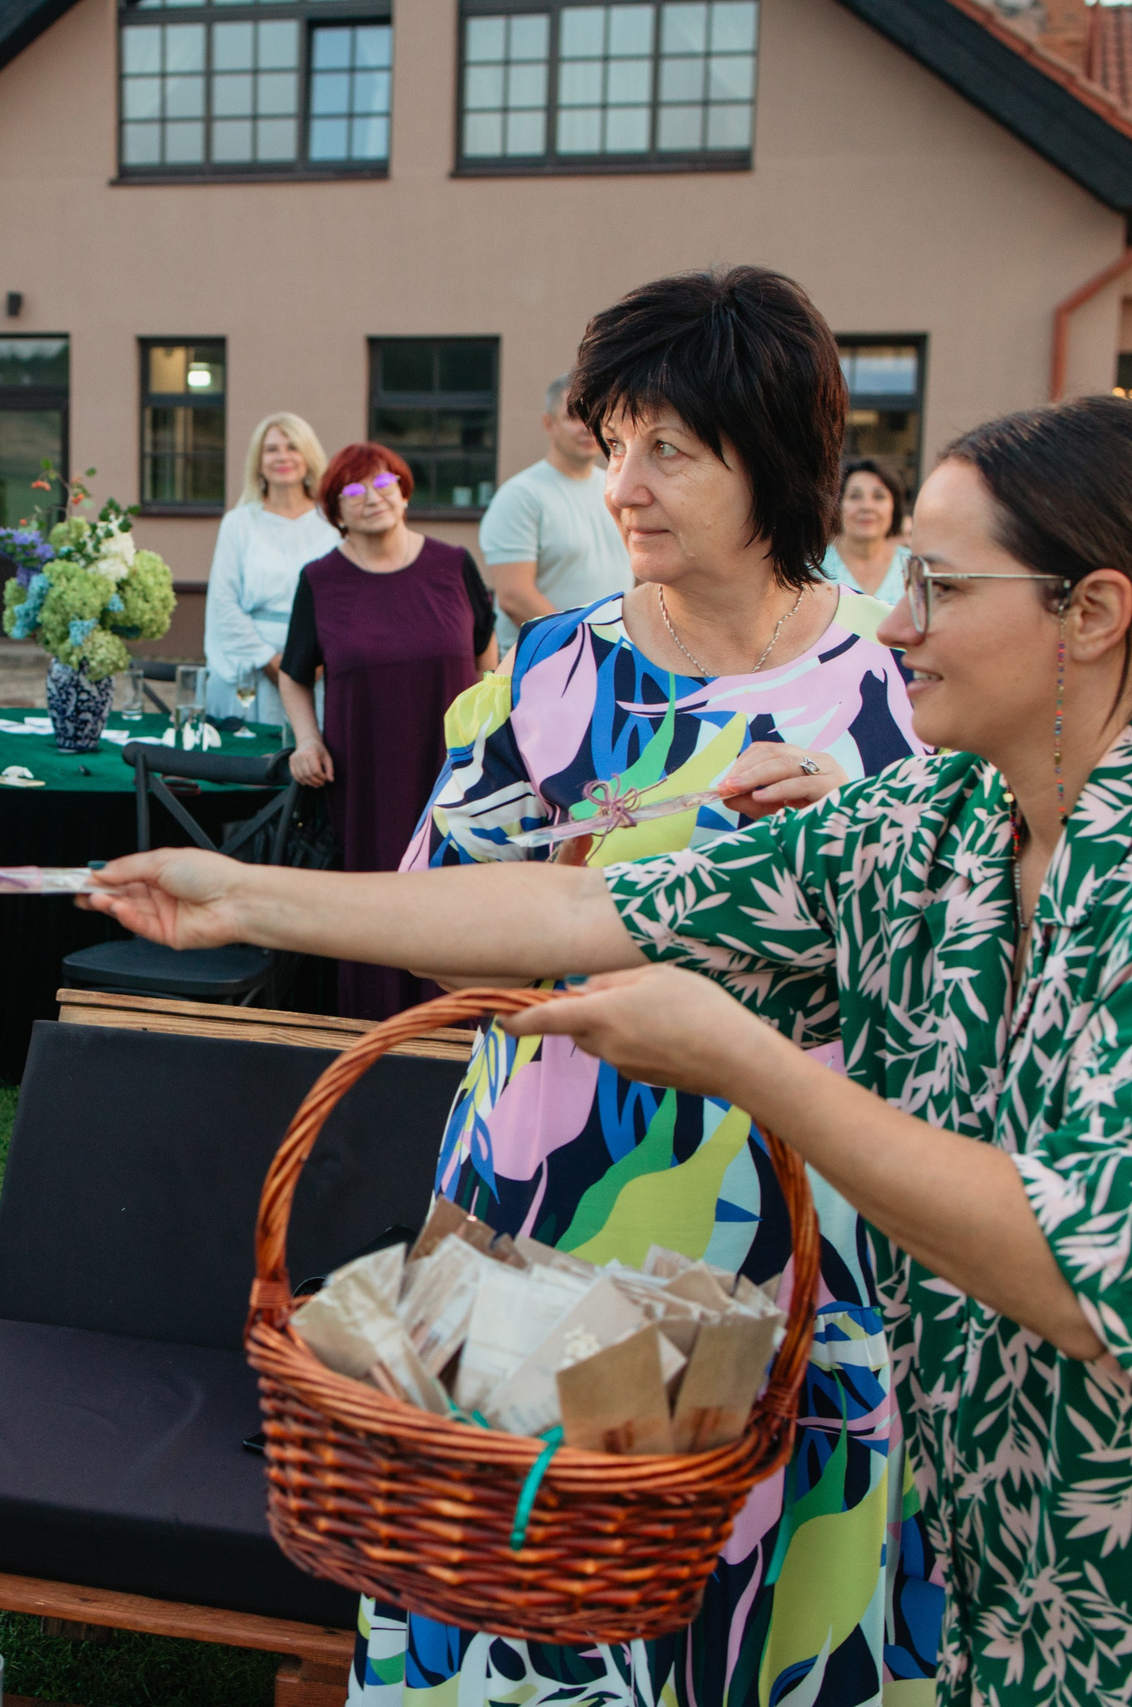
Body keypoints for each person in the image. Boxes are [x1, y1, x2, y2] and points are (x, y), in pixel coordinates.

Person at [86, 394, 1132, 1706]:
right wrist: (249, 897)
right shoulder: (939, 823)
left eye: (941, 585)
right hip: (1034, 1553)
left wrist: (748, 1060)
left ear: (1092, 612)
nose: (897, 618)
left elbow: (1095, 1276)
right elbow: (590, 907)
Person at [382, 268, 930, 1707]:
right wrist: (559, 890)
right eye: (613, 442)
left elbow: (968, 958)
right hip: (555, 1186)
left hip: (801, 1204)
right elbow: (429, 927)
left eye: (669, 450)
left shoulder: (899, 685)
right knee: (536, 1576)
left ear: (780, 461)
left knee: (767, 1579)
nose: (623, 485)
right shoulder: (554, 669)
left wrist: (856, 838)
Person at [277, 443, 497, 1019]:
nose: (370, 498)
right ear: (335, 512)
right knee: (375, 905)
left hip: (452, 775)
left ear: (403, 491)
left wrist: (493, 736)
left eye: (382, 484)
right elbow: (293, 675)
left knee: (453, 900)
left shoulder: (453, 564)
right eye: (352, 491)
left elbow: (487, 658)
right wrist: (307, 740)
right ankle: (375, 1040)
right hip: (365, 782)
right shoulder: (320, 580)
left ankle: (455, 1036)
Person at [476, 372, 634, 649]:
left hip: (615, 655)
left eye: (595, 415)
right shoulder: (521, 496)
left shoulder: (620, 490)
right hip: (541, 659)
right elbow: (515, 597)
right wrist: (584, 645)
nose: (587, 427)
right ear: (548, 424)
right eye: (574, 417)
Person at [202, 412, 338, 727]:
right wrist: (268, 660)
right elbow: (224, 602)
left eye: (292, 447)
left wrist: (318, 660)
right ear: (258, 462)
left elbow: (346, 600)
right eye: (271, 449)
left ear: (308, 457)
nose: (282, 457)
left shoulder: (333, 524)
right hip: (253, 666)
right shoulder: (238, 523)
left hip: (317, 666)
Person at [821, 456, 910, 602]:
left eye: (879, 496)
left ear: (894, 506)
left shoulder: (913, 567)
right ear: (838, 505)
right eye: (855, 496)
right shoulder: (815, 569)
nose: (867, 507)